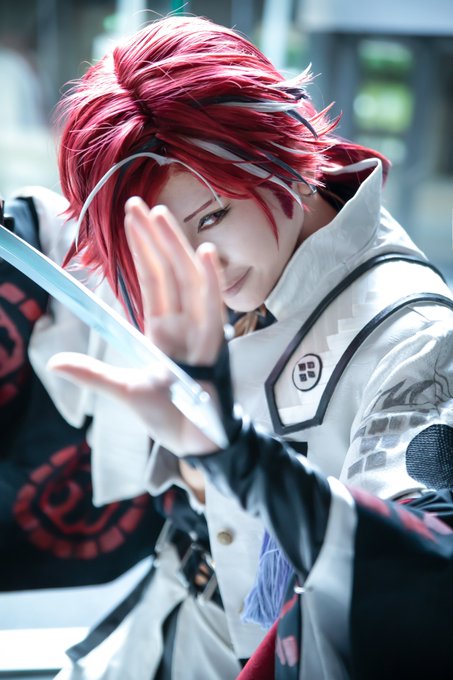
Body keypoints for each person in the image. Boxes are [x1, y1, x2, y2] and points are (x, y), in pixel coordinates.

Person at [12, 12, 453, 679]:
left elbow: (419, 563)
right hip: (166, 622)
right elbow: (77, 250)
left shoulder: (412, 332)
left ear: (281, 148)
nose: (202, 265)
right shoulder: (218, 256)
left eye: (212, 216)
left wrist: (235, 455)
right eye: (164, 241)